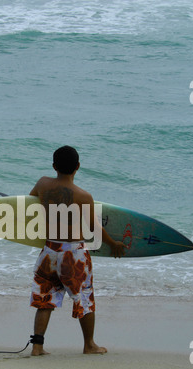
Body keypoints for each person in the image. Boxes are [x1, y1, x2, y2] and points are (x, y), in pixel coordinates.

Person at [29, 146, 126, 356]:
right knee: (83, 296)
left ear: (54, 166)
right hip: (73, 254)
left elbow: (30, 204)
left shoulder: (42, 183)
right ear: (78, 167)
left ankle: (37, 346)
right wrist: (113, 243)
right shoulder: (83, 196)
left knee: (45, 299)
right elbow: (93, 228)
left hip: (49, 250)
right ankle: (89, 344)